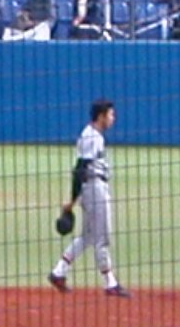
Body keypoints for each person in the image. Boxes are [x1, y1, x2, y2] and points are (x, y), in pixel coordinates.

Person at [48, 98, 130, 298]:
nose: (113, 118)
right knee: (103, 237)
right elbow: (80, 169)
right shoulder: (91, 137)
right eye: (110, 114)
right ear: (101, 116)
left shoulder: (94, 135)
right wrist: (72, 200)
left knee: (88, 236)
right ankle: (110, 283)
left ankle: (59, 272)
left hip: (93, 187)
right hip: (94, 188)